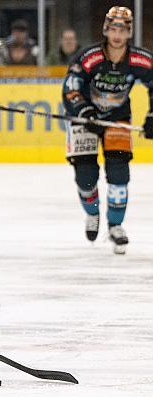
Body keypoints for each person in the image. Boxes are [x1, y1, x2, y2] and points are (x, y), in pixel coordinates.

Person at [62, 6, 153, 254]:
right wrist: (83, 111)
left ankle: (116, 225)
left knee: (119, 173)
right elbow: (71, 86)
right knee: (86, 176)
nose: (117, 34)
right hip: (85, 119)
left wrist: (152, 115)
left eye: (122, 29)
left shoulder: (140, 59)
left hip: (118, 119)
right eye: (113, 28)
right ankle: (92, 214)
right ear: (106, 29)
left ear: (129, 32)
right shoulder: (89, 56)